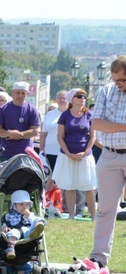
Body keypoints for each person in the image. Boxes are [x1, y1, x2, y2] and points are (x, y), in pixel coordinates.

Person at [89, 56, 126, 269]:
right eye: (115, 80)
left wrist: (114, 125)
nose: (118, 84)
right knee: (105, 209)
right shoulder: (106, 91)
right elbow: (97, 123)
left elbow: (106, 124)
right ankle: (99, 258)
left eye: (122, 80)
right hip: (109, 155)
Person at [52, 88, 97, 221]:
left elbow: (92, 137)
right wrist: (68, 153)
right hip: (67, 155)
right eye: (79, 96)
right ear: (72, 99)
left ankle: (93, 216)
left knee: (89, 186)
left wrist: (85, 152)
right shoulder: (65, 115)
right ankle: (71, 215)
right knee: (69, 186)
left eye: (84, 96)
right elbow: (60, 136)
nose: (82, 98)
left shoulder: (89, 115)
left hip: (85, 155)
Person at [0, 81, 41, 163]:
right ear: (13, 92)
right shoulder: (3, 109)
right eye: (18, 93)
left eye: (23, 93)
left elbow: (35, 131)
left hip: (26, 152)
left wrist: (18, 135)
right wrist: (9, 133)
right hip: (7, 151)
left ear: (27, 94)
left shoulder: (32, 110)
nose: (20, 95)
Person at [1, 190, 46, 259]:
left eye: (27, 204)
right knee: (13, 232)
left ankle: (37, 229)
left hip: (29, 232)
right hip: (16, 232)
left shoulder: (30, 215)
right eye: (21, 204)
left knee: (39, 220)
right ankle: (10, 249)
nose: (24, 207)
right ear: (14, 205)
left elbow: (33, 220)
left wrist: (28, 215)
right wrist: (4, 228)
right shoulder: (9, 215)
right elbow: (5, 223)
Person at [40, 90, 69, 184]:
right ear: (56, 100)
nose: (62, 100)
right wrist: (41, 150)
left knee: (64, 178)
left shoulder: (71, 114)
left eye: (64, 98)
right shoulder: (50, 114)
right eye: (59, 98)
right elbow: (43, 134)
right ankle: (50, 197)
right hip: (50, 151)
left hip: (66, 151)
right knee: (52, 177)